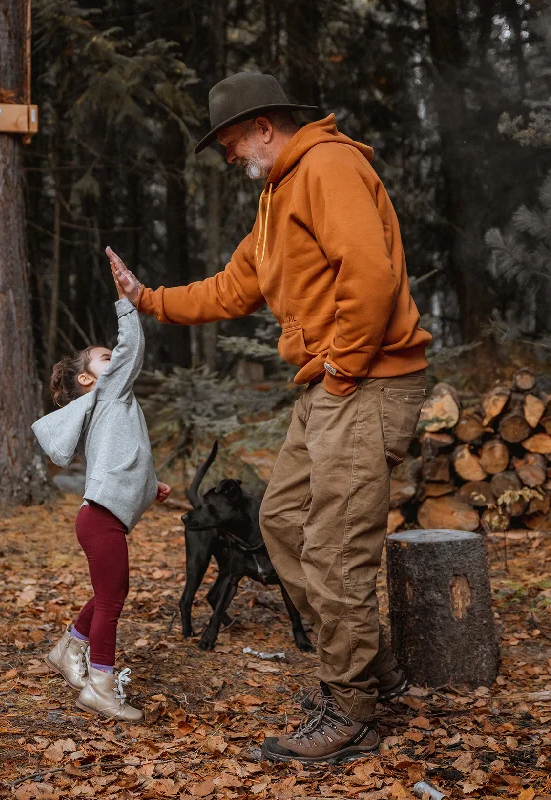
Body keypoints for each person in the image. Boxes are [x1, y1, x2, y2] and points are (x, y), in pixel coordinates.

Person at [109, 72, 432, 763]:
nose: (227, 156)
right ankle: (371, 671)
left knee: (334, 546)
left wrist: (343, 365)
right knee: (282, 521)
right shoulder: (278, 191)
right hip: (332, 386)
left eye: (228, 141)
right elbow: (236, 286)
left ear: (263, 126)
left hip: (365, 383)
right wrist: (150, 298)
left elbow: (370, 276)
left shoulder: (328, 166)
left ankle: (352, 710)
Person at [32, 256, 170, 722]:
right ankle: (101, 687)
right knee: (111, 601)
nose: (115, 363)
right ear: (91, 379)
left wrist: (154, 486)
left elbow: (125, 462)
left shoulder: (110, 410)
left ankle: (67, 649)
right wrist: (126, 301)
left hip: (100, 518)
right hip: (99, 521)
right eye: (105, 360)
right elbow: (130, 346)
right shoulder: (109, 394)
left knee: (109, 592)